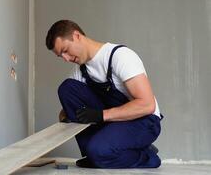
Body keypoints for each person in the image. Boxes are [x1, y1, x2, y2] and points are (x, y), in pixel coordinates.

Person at [46, 20, 163, 168]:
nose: (66, 59)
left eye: (65, 50)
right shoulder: (81, 70)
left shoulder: (120, 56)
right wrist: (66, 117)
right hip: (115, 121)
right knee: (66, 88)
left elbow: (147, 105)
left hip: (144, 121)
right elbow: (70, 104)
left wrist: (101, 115)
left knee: (98, 152)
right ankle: (97, 154)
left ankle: (147, 156)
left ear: (77, 36)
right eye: (60, 56)